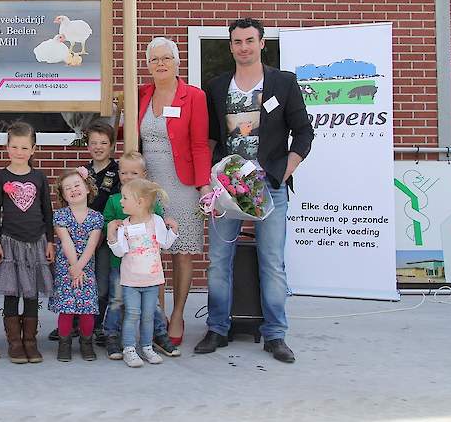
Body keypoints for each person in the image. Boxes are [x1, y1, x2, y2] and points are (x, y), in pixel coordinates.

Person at [196, 18, 314, 363]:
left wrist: (284, 170)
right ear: (230, 46)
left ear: (262, 44)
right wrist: (208, 180)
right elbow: (211, 139)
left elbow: (304, 134)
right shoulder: (216, 87)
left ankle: (275, 335)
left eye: (249, 40)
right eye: (237, 42)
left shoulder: (284, 83)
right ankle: (217, 328)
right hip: (226, 190)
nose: (243, 47)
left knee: (272, 263)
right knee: (218, 262)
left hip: (269, 188)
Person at [138, 36, 212, 347]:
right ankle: (158, 314)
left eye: (166, 58)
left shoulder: (193, 96)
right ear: (148, 65)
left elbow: (199, 144)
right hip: (149, 185)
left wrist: (204, 184)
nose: (160, 64)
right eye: (154, 59)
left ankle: (179, 313)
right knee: (152, 251)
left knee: (181, 253)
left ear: (177, 61)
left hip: (182, 185)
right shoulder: (141, 94)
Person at [0, 122, 55, 364]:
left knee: (32, 293)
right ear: (7, 147)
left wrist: (50, 242)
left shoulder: (38, 177)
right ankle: (15, 342)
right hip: (10, 242)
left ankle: (30, 341)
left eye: (24, 147)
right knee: (12, 293)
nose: (19, 152)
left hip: (36, 242)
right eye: (14, 146)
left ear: (33, 149)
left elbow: (48, 211)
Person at [101, 151, 178, 359]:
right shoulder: (116, 200)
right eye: (123, 172)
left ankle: (159, 336)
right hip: (121, 263)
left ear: (143, 174)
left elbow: (160, 229)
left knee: (153, 306)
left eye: (133, 172)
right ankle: (112, 337)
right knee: (116, 300)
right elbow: (106, 221)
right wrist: (112, 226)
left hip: (148, 267)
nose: (127, 176)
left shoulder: (151, 203)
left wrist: (172, 229)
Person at [48, 121, 118, 345]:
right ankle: (72, 322)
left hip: (104, 235)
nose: (98, 147)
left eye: (104, 143)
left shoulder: (117, 173)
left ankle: (95, 325)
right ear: (87, 145)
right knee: (76, 277)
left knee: (100, 283)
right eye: (94, 142)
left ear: (112, 145)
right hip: (78, 236)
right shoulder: (82, 173)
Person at [48, 168, 104, 362]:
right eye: (67, 188)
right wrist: (74, 267)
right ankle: (64, 344)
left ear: (88, 188)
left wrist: (80, 267)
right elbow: (66, 241)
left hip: (86, 269)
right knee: (67, 308)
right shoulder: (61, 215)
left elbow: (92, 244)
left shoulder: (96, 217)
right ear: (63, 195)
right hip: (67, 269)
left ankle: (86, 343)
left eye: (77, 185)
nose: (73, 190)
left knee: (87, 309)